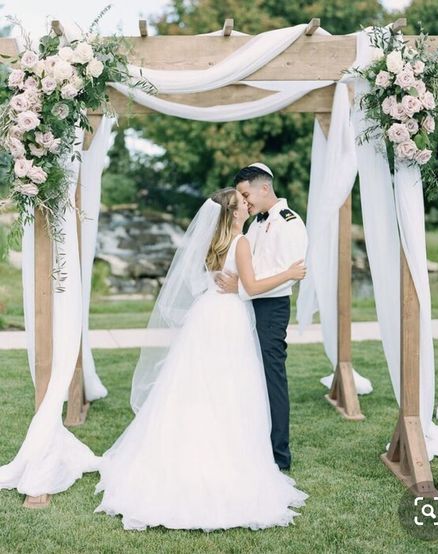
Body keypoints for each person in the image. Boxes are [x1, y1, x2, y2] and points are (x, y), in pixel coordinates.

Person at [94, 187, 308, 531]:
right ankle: (224, 458)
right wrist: (290, 274)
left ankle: (185, 452)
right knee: (228, 388)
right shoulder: (239, 242)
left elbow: (222, 279)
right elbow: (251, 287)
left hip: (205, 315)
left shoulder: (214, 242)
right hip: (228, 320)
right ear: (234, 214)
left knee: (195, 386)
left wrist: (234, 281)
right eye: (242, 203)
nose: (247, 204)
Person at [215, 163, 308, 471]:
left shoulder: (289, 223)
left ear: (264, 188)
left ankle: (279, 455)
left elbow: (289, 275)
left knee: (272, 379)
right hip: (246, 305)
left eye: (246, 194)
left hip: (270, 309)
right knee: (247, 377)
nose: (245, 201)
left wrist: (241, 286)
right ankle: (251, 441)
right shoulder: (255, 223)